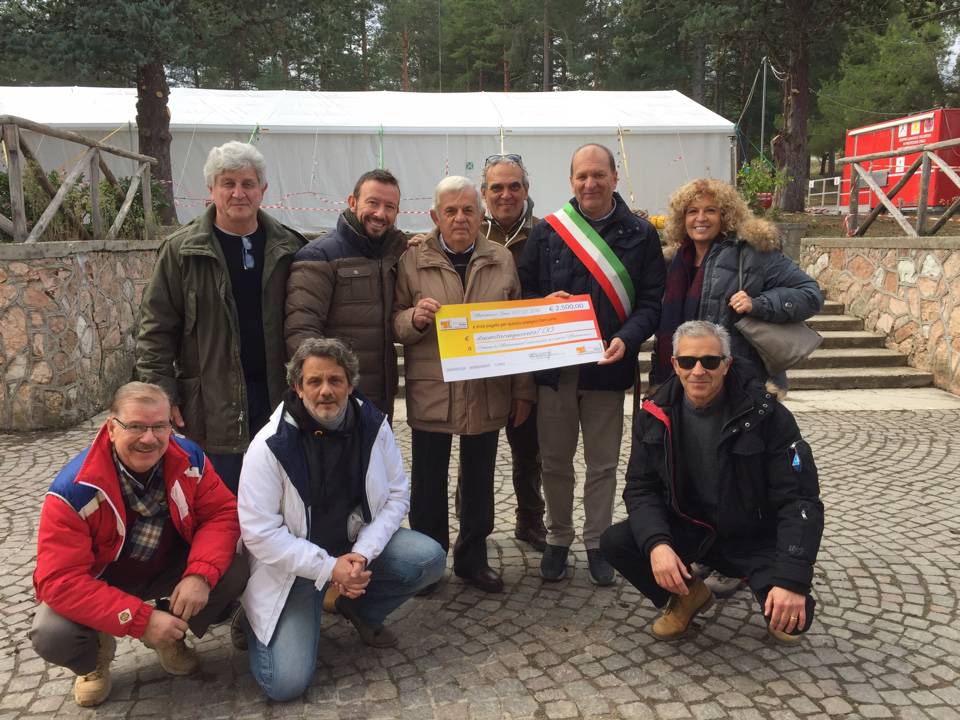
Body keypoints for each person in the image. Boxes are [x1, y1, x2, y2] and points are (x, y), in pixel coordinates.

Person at [237, 337, 445, 701]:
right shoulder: (270, 444)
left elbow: (397, 495)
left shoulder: (373, 424)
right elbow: (259, 534)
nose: (326, 391)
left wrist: (362, 555)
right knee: (284, 684)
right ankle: (259, 621)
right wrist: (329, 569)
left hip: (352, 548)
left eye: (335, 380)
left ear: (350, 383)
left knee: (428, 558)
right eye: (314, 381)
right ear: (297, 388)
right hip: (296, 568)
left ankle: (352, 604)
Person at [600, 321, 823, 645]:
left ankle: (766, 584)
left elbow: (800, 500)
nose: (698, 371)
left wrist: (791, 579)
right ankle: (687, 596)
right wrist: (658, 544)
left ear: (727, 364)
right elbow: (641, 486)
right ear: (675, 364)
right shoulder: (653, 414)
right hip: (693, 528)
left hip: (753, 536)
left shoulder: (767, 415)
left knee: (793, 625)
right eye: (688, 362)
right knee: (615, 542)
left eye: (710, 361)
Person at [30, 382, 247, 708]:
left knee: (234, 567)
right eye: (135, 426)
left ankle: (169, 635)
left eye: (160, 426)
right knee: (52, 632)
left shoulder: (189, 458)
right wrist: (139, 620)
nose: (149, 438)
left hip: (165, 568)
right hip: (102, 582)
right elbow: (58, 581)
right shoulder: (73, 490)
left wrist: (199, 574)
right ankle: (95, 658)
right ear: (111, 428)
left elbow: (221, 514)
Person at [518, 143, 665, 585]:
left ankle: (598, 540)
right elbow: (524, 293)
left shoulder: (642, 235)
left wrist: (628, 337)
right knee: (556, 462)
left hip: (608, 368)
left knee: (602, 464)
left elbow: (651, 302)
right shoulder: (548, 232)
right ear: (571, 182)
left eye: (598, 174)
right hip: (555, 374)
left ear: (614, 178)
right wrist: (541, 304)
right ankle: (560, 539)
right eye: (581, 176)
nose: (590, 183)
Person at [393, 176, 536, 594]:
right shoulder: (413, 259)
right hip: (432, 386)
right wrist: (413, 318)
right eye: (451, 211)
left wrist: (523, 389)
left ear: (480, 214)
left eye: (468, 210)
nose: (460, 218)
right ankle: (429, 560)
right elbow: (395, 322)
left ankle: (472, 559)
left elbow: (517, 331)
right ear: (435, 216)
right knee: (428, 482)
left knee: (479, 480)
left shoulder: (501, 259)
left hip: (486, 388)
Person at [137, 141, 306, 493]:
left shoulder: (291, 248)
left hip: (277, 394)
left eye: (247, 184)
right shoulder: (181, 251)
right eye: (227, 183)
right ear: (211, 190)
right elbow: (156, 331)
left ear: (263, 190)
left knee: (279, 496)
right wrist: (162, 395)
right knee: (220, 501)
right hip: (212, 401)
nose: (238, 193)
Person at [651, 177, 823, 392]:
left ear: (725, 215)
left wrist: (759, 304)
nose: (700, 218)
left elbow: (810, 294)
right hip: (679, 380)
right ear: (682, 218)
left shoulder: (752, 254)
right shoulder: (672, 262)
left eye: (710, 210)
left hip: (739, 384)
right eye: (692, 211)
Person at [285, 169, 407, 420]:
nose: (380, 214)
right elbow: (301, 331)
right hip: (335, 399)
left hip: (380, 398)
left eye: (390, 207)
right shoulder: (319, 255)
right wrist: (323, 390)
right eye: (372, 203)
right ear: (352, 202)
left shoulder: (395, 251)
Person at [479, 153, 547, 551]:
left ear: (526, 189)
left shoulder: (545, 233)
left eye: (514, 186)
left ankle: (530, 519)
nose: (506, 194)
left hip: (527, 361)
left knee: (529, 451)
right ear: (484, 192)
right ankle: (473, 529)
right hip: (480, 362)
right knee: (476, 454)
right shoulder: (465, 230)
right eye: (497, 187)